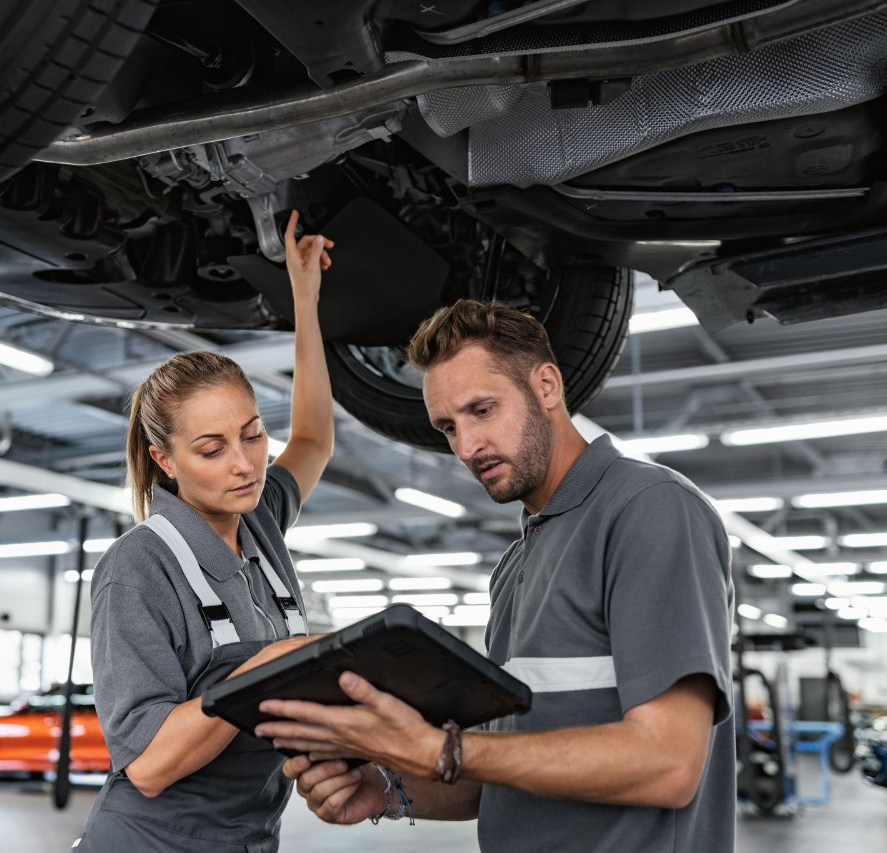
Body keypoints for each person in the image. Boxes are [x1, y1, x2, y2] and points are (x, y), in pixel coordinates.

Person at [256, 299, 736, 852]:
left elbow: (668, 764)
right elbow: (511, 774)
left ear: (548, 386)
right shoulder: (517, 563)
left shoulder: (648, 509)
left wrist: (442, 750)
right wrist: (387, 789)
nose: (466, 446)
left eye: (481, 410)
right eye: (448, 427)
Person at [72, 211, 335, 852]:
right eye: (212, 449)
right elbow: (150, 764)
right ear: (167, 461)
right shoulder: (137, 568)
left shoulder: (260, 520)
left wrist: (304, 298)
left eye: (251, 434)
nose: (245, 464)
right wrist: (268, 667)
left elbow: (314, 437)